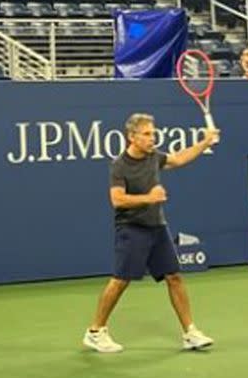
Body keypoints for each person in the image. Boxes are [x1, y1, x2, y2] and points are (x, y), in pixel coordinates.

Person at [83, 113, 218, 354]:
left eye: (153, 134)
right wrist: (150, 198)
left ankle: (190, 332)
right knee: (120, 281)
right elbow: (117, 200)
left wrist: (205, 142)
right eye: (146, 134)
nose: (151, 138)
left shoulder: (154, 157)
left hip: (157, 226)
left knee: (174, 277)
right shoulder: (119, 165)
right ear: (131, 137)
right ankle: (96, 331)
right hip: (131, 228)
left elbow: (177, 159)